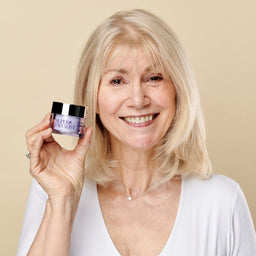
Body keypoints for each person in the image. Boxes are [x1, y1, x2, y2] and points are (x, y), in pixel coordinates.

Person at [17, 9, 256, 256]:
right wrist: (62, 202)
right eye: (117, 81)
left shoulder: (222, 201)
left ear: (178, 90)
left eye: (153, 78)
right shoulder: (52, 190)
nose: (138, 99)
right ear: (94, 98)